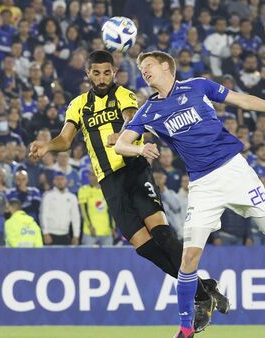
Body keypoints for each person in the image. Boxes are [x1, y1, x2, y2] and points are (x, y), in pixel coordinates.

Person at [115, 50, 265, 338]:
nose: (144, 72)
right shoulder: (148, 111)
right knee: (188, 258)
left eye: (148, 66)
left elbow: (244, 100)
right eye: (141, 69)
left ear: (166, 66)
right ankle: (186, 328)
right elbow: (121, 144)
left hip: (234, 171)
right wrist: (140, 148)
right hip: (202, 185)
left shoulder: (198, 86)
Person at [28, 50, 227, 332]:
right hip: (109, 181)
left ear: (114, 72)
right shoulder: (77, 105)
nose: (101, 78)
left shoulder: (123, 95)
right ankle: (203, 288)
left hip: (134, 169)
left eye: (106, 72)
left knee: (162, 233)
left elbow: (133, 121)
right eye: (96, 73)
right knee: (143, 247)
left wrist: (120, 135)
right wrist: (47, 146)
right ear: (88, 74)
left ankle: (199, 293)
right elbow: (65, 138)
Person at [40, 171, 81, 245]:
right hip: (50, 234)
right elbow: (43, 215)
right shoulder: (47, 196)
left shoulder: (72, 197)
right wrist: (45, 233)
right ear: (54, 181)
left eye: (62, 179)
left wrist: (76, 235)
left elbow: (75, 217)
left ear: (66, 181)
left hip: (65, 234)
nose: (60, 181)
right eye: (57, 179)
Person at [78, 168, 114, 246]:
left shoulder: (107, 190)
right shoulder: (83, 190)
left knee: (108, 257)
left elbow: (111, 210)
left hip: (106, 231)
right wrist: (90, 226)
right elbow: (83, 210)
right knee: (87, 257)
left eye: (94, 175)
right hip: (90, 232)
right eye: (90, 175)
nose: (92, 177)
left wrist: (113, 226)